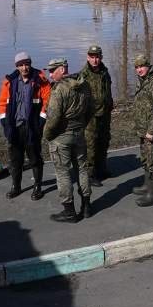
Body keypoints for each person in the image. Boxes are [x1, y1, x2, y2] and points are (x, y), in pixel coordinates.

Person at [42, 57, 94, 223]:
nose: (50, 75)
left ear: (62, 69)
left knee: (63, 173)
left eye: (52, 70)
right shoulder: (84, 85)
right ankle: (86, 207)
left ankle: (69, 211)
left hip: (61, 138)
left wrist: (47, 135)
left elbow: (53, 118)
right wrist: (80, 125)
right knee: (82, 169)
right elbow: (91, 109)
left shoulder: (59, 90)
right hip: (79, 134)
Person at [0, 52, 50, 201]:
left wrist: (41, 120)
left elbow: (48, 101)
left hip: (32, 127)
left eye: (26, 64)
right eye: (21, 65)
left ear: (30, 64)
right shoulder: (10, 81)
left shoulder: (40, 80)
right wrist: (4, 121)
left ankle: (38, 187)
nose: (24, 67)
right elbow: (2, 103)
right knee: (15, 160)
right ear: (17, 67)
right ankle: (16, 186)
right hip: (14, 127)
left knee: (35, 158)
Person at [131, 54, 153, 207]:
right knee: (146, 158)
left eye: (142, 66)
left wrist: (151, 131)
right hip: (143, 129)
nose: (139, 70)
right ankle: (147, 185)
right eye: (137, 67)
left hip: (152, 130)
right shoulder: (143, 81)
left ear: (148, 66)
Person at [80, 44, 113, 187]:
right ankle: (90, 174)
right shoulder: (84, 75)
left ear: (101, 57)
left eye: (97, 57)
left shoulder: (105, 72)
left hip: (104, 114)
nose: (95, 60)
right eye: (92, 57)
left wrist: (110, 104)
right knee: (91, 145)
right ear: (88, 57)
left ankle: (102, 169)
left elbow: (108, 90)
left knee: (104, 142)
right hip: (91, 117)